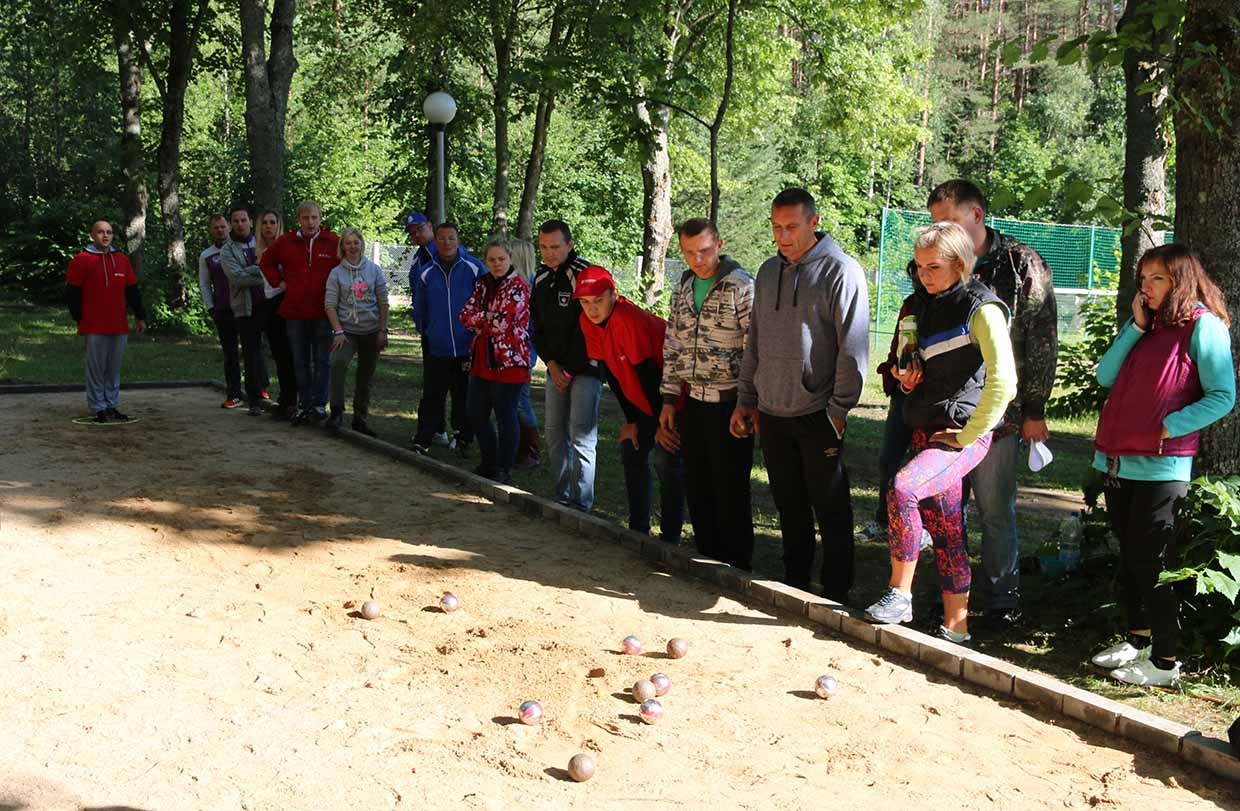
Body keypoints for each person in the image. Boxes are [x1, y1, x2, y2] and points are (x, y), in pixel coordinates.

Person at [863, 222, 1017, 645]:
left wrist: (968, 435)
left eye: (933, 267)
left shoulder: (983, 307)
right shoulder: (922, 304)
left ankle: (899, 594)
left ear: (960, 264)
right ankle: (957, 629)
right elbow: (913, 368)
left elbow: (1005, 382)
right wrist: (906, 378)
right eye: (918, 266)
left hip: (960, 433)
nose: (923, 275)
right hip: (925, 427)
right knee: (948, 528)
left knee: (902, 488)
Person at [1089, 244, 1234, 686]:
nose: (1147, 288)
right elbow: (1104, 375)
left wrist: (1170, 426)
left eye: (1158, 279)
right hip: (1118, 462)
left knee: (1152, 563)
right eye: (1143, 279)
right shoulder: (1146, 327)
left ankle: (1165, 662)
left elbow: (1222, 396)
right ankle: (1137, 639)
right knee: (1130, 560)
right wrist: (1135, 325)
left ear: (1181, 281)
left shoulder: (1203, 327)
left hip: (1162, 466)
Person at [926, 179, 1058, 627]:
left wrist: (1035, 408)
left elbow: (1042, 340)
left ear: (976, 216)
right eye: (933, 222)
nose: (938, 230)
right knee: (946, 508)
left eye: (947, 220)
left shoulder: (1020, 264)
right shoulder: (934, 261)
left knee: (994, 509)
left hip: (1000, 415)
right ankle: (952, 596)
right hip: (943, 411)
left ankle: (1002, 600)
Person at [731, 188, 868, 602]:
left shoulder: (841, 271)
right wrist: (747, 398)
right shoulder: (768, 271)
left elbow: (853, 347)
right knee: (788, 504)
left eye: (791, 227)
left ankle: (837, 593)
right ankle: (795, 586)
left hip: (819, 412)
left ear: (814, 221)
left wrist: (839, 409)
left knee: (830, 508)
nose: (783, 236)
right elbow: (754, 340)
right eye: (776, 228)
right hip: (771, 409)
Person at [660, 218, 755, 568]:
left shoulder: (742, 286)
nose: (697, 259)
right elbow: (673, 344)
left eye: (703, 250)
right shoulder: (683, 286)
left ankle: (737, 565)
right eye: (688, 252)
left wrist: (747, 403)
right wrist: (669, 399)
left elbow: (753, 349)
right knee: (697, 484)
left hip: (730, 402)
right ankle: (706, 558)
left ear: (718, 244)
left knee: (729, 488)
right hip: (692, 401)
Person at [576, 266, 685, 541]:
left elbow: (649, 375)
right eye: (585, 302)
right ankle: (639, 530)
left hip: (673, 396)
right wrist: (632, 421)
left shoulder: (627, 319)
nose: (592, 309)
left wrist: (662, 423)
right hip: (645, 398)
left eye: (598, 300)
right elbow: (612, 372)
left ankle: (670, 537)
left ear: (614, 294)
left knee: (666, 458)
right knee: (631, 449)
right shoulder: (587, 321)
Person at [531, 219, 602, 510]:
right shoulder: (540, 278)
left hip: (586, 368)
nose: (549, 253)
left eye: (555, 247)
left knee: (581, 435)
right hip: (555, 368)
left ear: (569, 245)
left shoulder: (585, 274)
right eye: (544, 247)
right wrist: (551, 363)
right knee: (553, 432)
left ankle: (581, 503)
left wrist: (568, 369)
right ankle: (561, 497)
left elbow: (591, 327)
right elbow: (537, 328)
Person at [260, 200, 340, 426]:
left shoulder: (333, 242)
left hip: (323, 313)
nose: (310, 222)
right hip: (294, 313)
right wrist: (279, 282)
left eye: (314, 217)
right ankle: (304, 404)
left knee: (322, 361)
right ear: (298, 220)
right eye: (305, 218)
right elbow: (266, 261)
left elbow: (347, 265)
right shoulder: (285, 242)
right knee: (300, 361)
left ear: (320, 219)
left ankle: (318, 405)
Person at [459, 238, 531, 483]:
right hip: (482, 359)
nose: (497, 263)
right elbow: (465, 316)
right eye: (491, 259)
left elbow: (504, 323)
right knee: (476, 413)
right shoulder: (483, 283)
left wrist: (483, 318)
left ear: (510, 258)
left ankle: (504, 467)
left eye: (501, 259)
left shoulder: (518, 286)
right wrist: (487, 316)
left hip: (509, 363)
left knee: (505, 414)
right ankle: (488, 462)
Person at [411, 222, 484, 456]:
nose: (446, 243)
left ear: (458, 240)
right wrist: (426, 330)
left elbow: (484, 299)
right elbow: (420, 305)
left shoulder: (474, 267)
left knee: (464, 394)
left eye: (451, 238)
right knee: (433, 393)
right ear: (436, 241)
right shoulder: (427, 271)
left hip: (466, 345)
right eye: (441, 238)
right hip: (438, 344)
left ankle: (463, 438)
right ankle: (424, 437)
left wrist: (477, 332)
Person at [65, 220, 147, 422]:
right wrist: (79, 318)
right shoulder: (81, 260)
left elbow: (132, 291)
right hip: (94, 324)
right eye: (100, 232)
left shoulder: (121, 259)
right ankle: (98, 407)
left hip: (118, 324)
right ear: (92, 235)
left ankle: (111, 405)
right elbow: (72, 293)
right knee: (96, 368)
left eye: (109, 232)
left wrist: (140, 316)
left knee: (113, 368)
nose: (105, 236)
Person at [324, 228, 389, 436]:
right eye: (348, 243)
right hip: (347, 332)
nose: (353, 246)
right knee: (337, 363)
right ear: (342, 246)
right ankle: (336, 412)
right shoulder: (336, 273)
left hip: (371, 330)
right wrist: (338, 331)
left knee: (365, 376)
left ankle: (360, 418)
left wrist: (382, 330)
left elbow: (383, 302)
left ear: (362, 244)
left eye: (356, 242)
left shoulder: (374, 270)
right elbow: (330, 305)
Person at [219, 206, 272, 416]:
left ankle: (274, 393)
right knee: (250, 352)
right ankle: (254, 399)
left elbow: (277, 269)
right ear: (231, 224)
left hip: (269, 304)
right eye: (235, 221)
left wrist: (255, 271)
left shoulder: (263, 242)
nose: (240, 224)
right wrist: (262, 271)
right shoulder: (226, 250)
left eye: (243, 220)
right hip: (245, 307)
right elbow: (238, 278)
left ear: (250, 222)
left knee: (274, 350)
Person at [402, 210, 448, 448]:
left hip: (449, 329)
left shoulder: (442, 253)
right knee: (432, 382)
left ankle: (456, 433)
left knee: (451, 384)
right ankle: (436, 428)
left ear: (430, 226)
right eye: (412, 232)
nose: (416, 235)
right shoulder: (418, 257)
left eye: (419, 229)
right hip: (429, 329)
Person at [254, 209, 298, 421]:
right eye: (265, 223)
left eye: (272, 222)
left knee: (291, 354)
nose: (268, 226)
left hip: (286, 302)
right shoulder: (259, 251)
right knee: (279, 354)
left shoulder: (287, 248)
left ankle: (293, 399)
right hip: (268, 304)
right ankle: (285, 398)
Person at [199, 213, 245, 408]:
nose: (220, 230)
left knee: (253, 350)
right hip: (223, 310)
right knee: (230, 353)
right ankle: (234, 393)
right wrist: (211, 307)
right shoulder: (207, 255)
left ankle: (259, 389)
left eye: (223, 226)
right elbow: (204, 284)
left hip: (245, 308)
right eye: (216, 227)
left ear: (229, 228)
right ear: (211, 230)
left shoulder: (241, 249)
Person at [510, 238, 542, 469]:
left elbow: (533, 326)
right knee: (509, 401)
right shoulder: (511, 283)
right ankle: (514, 445)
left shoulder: (530, 286)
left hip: (522, 352)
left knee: (520, 400)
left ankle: (530, 450)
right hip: (507, 352)